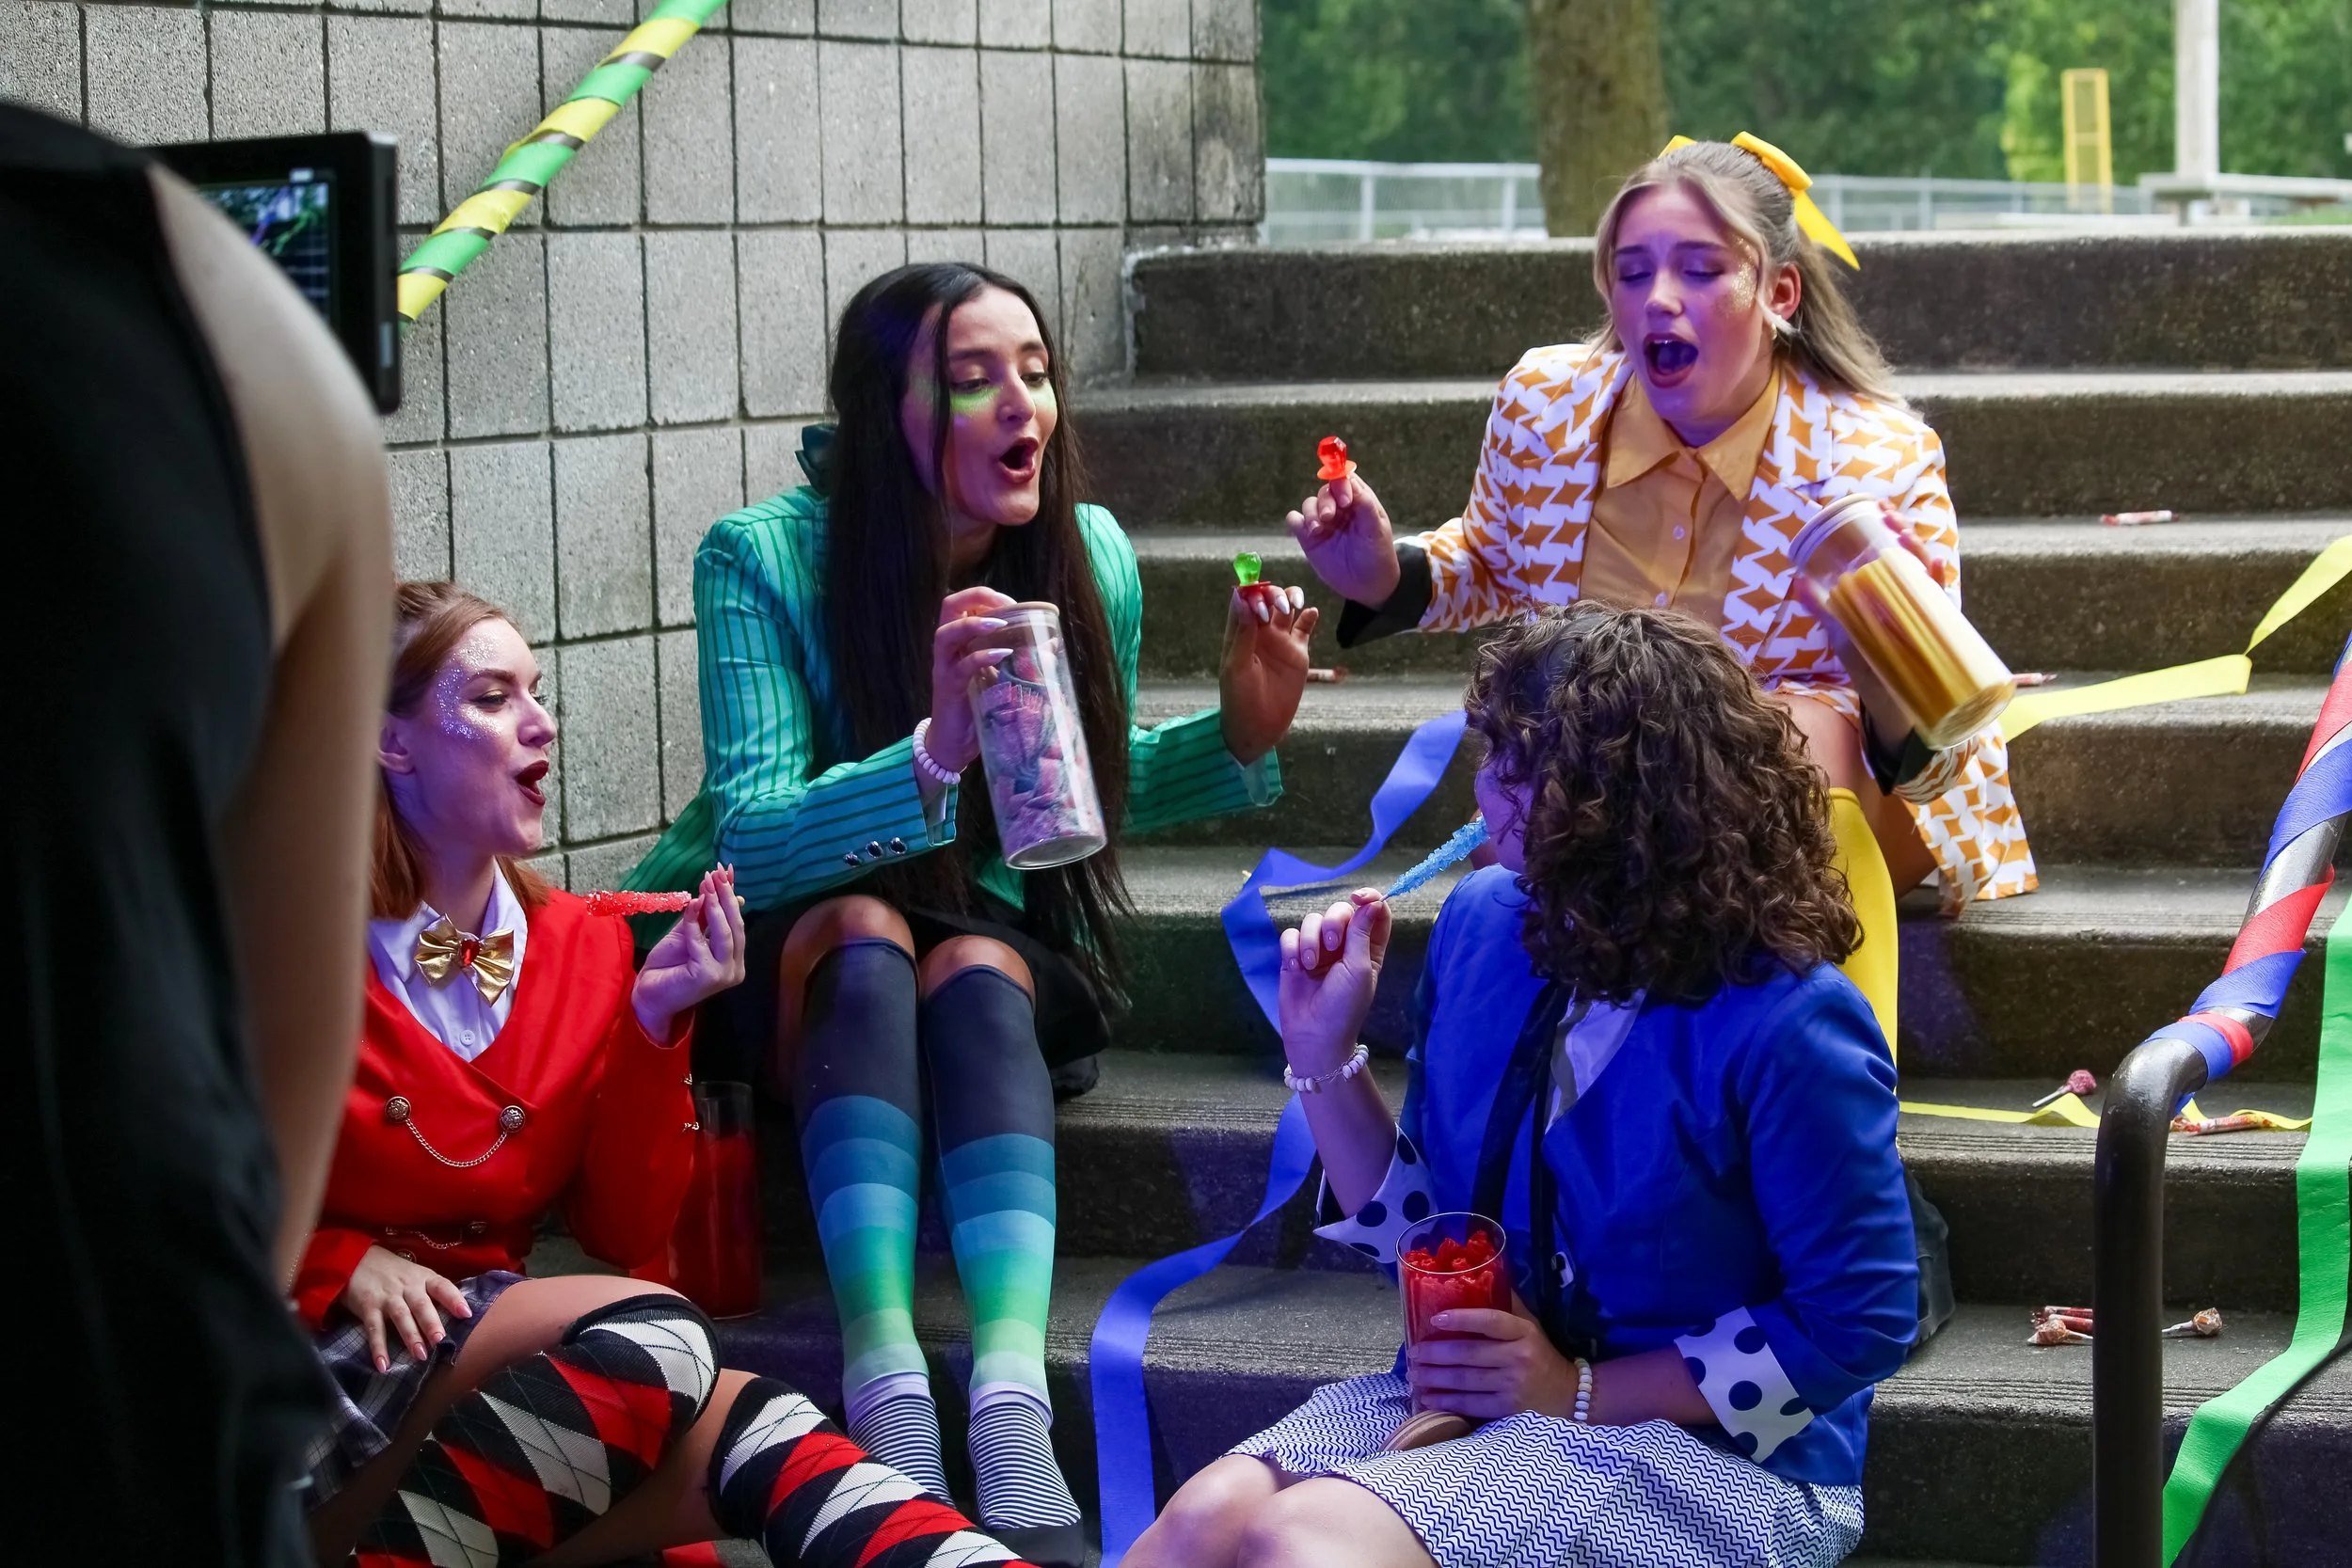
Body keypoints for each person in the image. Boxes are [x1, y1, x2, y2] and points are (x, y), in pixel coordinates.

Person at [624, 261, 1319, 1558]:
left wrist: (1240, 728)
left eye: (1037, 372)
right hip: (786, 949)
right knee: (869, 932)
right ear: (881, 410)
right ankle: (885, 1379)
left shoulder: (1085, 550)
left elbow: (1074, 789)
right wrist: (932, 752)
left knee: (975, 963)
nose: (1023, 405)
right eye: (974, 377)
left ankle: (1007, 1392)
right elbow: (756, 839)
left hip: (981, 949)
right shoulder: (762, 557)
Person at [1130, 603, 1918, 1568]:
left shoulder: (1791, 1019)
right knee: (1202, 1524)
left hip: (1718, 1452)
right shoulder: (1482, 922)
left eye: (1514, 760)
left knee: (1307, 1540)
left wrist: (1579, 1393)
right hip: (1487, 1398)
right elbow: (1432, 1235)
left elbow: (1859, 1320)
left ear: (1615, 798)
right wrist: (1323, 1052)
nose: (1481, 786)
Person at [298, 580, 1036, 1568]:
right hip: (317, 1362)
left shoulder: (582, 942)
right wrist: (333, 1258)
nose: (541, 723)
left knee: (766, 1430)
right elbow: (156, 1186)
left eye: (538, 691)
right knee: (667, 1341)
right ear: (391, 742)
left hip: (497, 1376)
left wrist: (655, 1023)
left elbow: (624, 1229)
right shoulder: (289, 940)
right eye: (492, 697)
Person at [1285, 134, 2036, 1048]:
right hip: (1597, 779)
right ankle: (1549, 1067)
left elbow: (1938, 752)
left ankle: (1779, 1062)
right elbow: (1484, 560)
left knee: (1795, 724)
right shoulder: (1544, 405)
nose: (1659, 298)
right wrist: (1376, 570)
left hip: (1807, 797)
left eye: (1700, 269)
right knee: (1542, 750)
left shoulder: (1878, 456)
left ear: (1779, 293)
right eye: (1632, 271)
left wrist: (1878, 650)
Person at [6, 103, 393, 1564]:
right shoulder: (233, 328)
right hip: (119, 1414)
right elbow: (272, 1125)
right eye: (489, 694)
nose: (534, 725)